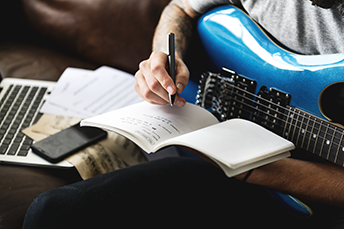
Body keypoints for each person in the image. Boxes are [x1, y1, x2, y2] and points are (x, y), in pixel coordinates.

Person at [23, 1, 344, 228]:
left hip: (295, 188)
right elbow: (181, 8)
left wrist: (253, 168)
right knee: (54, 211)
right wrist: (163, 56)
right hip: (223, 159)